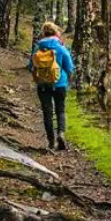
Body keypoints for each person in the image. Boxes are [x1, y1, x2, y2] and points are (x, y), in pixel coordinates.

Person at [29, 22, 74, 151]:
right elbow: (69, 67)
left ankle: (51, 142)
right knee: (60, 110)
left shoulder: (38, 47)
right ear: (56, 32)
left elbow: (31, 66)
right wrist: (68, 80)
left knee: (47, 113)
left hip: (43, 85)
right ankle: (61, 134)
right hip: (60, 84)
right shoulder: (60, 48)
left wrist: (37, 79)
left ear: (44, 33)